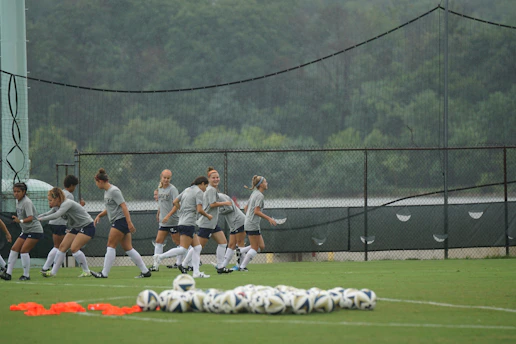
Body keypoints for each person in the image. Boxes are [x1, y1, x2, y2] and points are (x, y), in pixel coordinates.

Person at [90, 168, 151, 279]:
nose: (96, 184)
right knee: (128, 248)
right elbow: (110, 208)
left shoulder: (114, 191)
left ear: (101, 181)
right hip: (119, 221)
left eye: (96, 182)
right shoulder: (107, 192)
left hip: (120, 221)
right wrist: (99, 215)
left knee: (110, 244)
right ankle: (145, 271)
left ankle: (104, 273)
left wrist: (129, 222)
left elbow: (124, 206)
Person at [153, 176, 212, 278]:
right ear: (202, 183)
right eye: (205, 186)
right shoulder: (198, 192)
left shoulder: (187, 189)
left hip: (182, 221)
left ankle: (196, 273)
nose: (205, 189)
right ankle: (159, 257)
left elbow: (175, 201)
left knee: (197, 247)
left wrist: (183, 210)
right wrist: (208, 216)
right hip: (188, 223)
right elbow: (199, 209)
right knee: (183, 249)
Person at [38, 187, 95, 278]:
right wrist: (36, 217)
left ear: (57, 198)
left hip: (87, 226)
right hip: (76, 227)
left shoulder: (67, 203)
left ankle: (86, 271)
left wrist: (41, 219)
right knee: (62, 247)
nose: (49, 203)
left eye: (50, 200)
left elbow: (57, 215)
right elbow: (48, 213)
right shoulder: (58, 205)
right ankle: (53, 272)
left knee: (74, 249)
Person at [188, 167, 233, 274]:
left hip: (212, 223)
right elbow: (212, 204)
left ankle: (220, 267)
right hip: (207, 222)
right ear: (208, 179)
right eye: (213, 178)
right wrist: (225, 203)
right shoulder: (211, 189)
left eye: (217, 177)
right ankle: (185, 264)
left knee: (223, 243)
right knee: (198, 246)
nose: (216, 179)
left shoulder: (212, 189)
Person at [0, 182, 44, 281]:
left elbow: (31, 218)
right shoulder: (18, 201)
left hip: (34, 230)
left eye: (18, 191)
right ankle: (8, 274)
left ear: (24, 192)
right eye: (14, 191)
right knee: (14, 248)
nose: (16, 194)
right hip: (26, 230)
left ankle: (26, 275)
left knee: (24, 250)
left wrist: (19, 221)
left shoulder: (26, 202)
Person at [41, 175, 84, 274]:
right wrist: (81, 206)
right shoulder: (68, 195)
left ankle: (46, 267)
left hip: (53, 223)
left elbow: (53, 210)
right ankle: (50, 267)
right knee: (61, 247)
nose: (75, 188)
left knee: (57, 246)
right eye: (75, 186)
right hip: (60, 223)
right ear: (72, 185)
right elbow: (69, 211)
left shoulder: (60, 193)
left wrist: (42, 216)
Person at [239, 175, 277, 271]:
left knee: (261, 246)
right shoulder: (259, 195)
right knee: (255, 248)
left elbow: (246, 208)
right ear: (261, 185)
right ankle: (242, 267)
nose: (266, 183)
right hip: (252, 224)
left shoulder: (254, 193)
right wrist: (269, 219)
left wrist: (249, 217)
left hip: (251, 223)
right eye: (265, 182)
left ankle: (240, 251)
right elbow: (256, 211)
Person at [149, 169, 181, 271]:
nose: (166, 180)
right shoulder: (160, 189)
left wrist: (168, 216)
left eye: (168, 178)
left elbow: (177, 205)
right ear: (161, 177)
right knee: (159, 241)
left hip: (173, 221)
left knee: (179, 243)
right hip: (164, 222)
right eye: (164, 178)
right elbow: (161, 203)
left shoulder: (173, 189)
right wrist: (159, 213)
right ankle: (155, 265)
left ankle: (182, 262)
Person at [218, 192, 246, 270]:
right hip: (233, 223)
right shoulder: (217, 197)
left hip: (239, 221)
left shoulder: (219, 196)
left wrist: (218, 211)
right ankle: (222, 266)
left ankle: (241, 266)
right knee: (231, 245)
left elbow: (229, 208)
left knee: (240, 243)